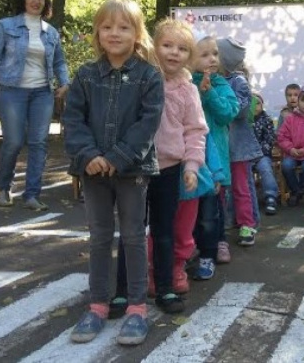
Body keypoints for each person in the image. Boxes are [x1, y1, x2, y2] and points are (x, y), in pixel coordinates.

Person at [63, 0, 164, 345]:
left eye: (123, 27)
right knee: (99, 237)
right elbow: (72, 119)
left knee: (134, 237)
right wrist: (89, 155)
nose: (114, 33)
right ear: (97, 33)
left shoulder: (149, 76)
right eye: (107, 27)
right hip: (92, 171)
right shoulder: (86, 75)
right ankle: (97, 306)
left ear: (137, 34)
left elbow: (147, 123)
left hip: (132, 171)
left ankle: (137, 309)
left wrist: (117, 157)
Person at [111, 19, 206, 316]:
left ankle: (164, 287)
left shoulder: (188, 90)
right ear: (155, 46)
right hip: (136, 167)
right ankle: (124, 290)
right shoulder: (139, 77)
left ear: (189, 56)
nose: (174, 53)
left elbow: (195, 130)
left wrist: (191, 165)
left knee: (165, 230)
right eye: (167, 45)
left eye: (182, 49)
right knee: (132, 230)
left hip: (169, 168)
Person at [0, 0, 70, 210]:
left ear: (44, 2)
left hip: (42, 93)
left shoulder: (51, 33)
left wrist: (65, 82)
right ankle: (4, 186)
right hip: (11, 91)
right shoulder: (5, 26)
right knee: (14, 141)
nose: (36, 1)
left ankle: (32, 195)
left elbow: (59, 61)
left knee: (39, 143)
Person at [191, 32, 239, 265]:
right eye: (205, 54)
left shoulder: (221, 84)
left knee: (215, 203)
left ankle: (219, 240)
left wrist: (209, 93)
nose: (212, 59)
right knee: (192, 203)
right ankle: (194, 243)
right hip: (191, 154)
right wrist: (198, 91)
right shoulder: (185, 83)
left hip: (216, 157)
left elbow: (227, 114)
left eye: (215, 54)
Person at [216, 37, 263, 247]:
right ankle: (224, 222)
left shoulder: (238, 81)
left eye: (215, 55)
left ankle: (247, 223)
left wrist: (221, 101)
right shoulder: (213, 81)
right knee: (220, 188)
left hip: (238, 147)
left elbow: (242, 110)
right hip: (220, 146)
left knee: (241, 187)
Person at [251, 92, 280, 215]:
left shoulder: (266, 119)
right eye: (252, 103)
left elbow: (270, 139)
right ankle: (248, 200)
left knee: (265, 168)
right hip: (245, 156)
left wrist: (259, 152)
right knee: (242, 172)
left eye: (258, 103)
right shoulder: (242, 121)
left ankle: (271, 197)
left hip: (262, 154)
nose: (256, 106)